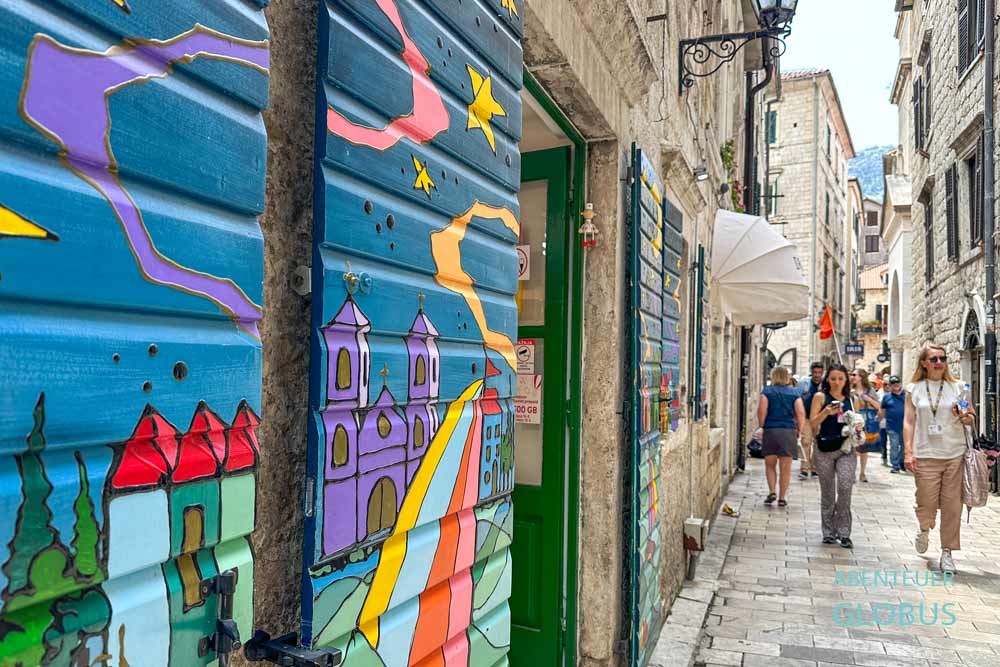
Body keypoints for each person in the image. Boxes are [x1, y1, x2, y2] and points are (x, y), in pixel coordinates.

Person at [903, 343, 976, 574]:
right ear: (924, 363)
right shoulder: (914, 388)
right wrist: (908, 451)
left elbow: (971, 416)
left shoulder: (959, 387)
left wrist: (966, 417)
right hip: (925, 454)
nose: (939, 363)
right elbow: (909, 422)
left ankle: (947, 552)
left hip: (954, 453)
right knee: (926, 502)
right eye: (934, 359)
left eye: (942, 359)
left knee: (952, 505)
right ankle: (924, 527)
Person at [810, 364, 858, 548]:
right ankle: (828, 532)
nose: (837, 382)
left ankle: (844, 532)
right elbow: (812, 423)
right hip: (824, 448)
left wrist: (858, 426)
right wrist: (826, 412)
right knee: (828, 492)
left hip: (846, 448)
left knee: (845, 487)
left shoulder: (852, 399)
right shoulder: (820, 397)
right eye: (833, 379)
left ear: (846, 380)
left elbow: (859, 421)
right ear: (827, 380)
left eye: (840, 379)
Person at [758, 366, 806, 508]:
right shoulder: (794, 393)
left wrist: (762, 425)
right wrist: (800, 429)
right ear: (787, 377)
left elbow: (762, 410)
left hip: (771, 430)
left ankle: (772, 491)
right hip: (788, 431)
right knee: (785, 468)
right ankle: (782, 497)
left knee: (770, 465)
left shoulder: (766, 391)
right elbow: (801, 413)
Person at [850, 368, 882, 482]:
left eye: (854, 375)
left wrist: (868, 399)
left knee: (864, 448)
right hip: (852, 420)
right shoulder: (849, 390)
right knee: (854, 448)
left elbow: (878, 406)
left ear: (861, 377)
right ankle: (852, 473)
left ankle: (862, 473)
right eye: (851, 375)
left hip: (866, 421)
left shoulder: (870, 390)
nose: (852, 376)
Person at [796, 362, 825, 479]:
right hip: (806, 417)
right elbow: (797, 399)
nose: (817, 375)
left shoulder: (826, 384)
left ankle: (814, 468)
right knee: (805, 442)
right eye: (815, 372)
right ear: (811, 372)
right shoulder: (803, 383)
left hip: (820, 418)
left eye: (819, 372)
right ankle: (804, 468)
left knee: (818, 443)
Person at [879, 376, 907, 473]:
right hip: (891, 425)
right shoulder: (886, 397)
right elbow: (882, 410)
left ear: (900, 384)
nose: (896, 385)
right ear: (890, 386)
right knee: (894, 445)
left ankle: (902, 462)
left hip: (905, 426)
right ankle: (895, 465)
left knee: (904, 446)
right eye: (893, 384)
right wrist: (879, 420)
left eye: (897, 383)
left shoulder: (907, 395)